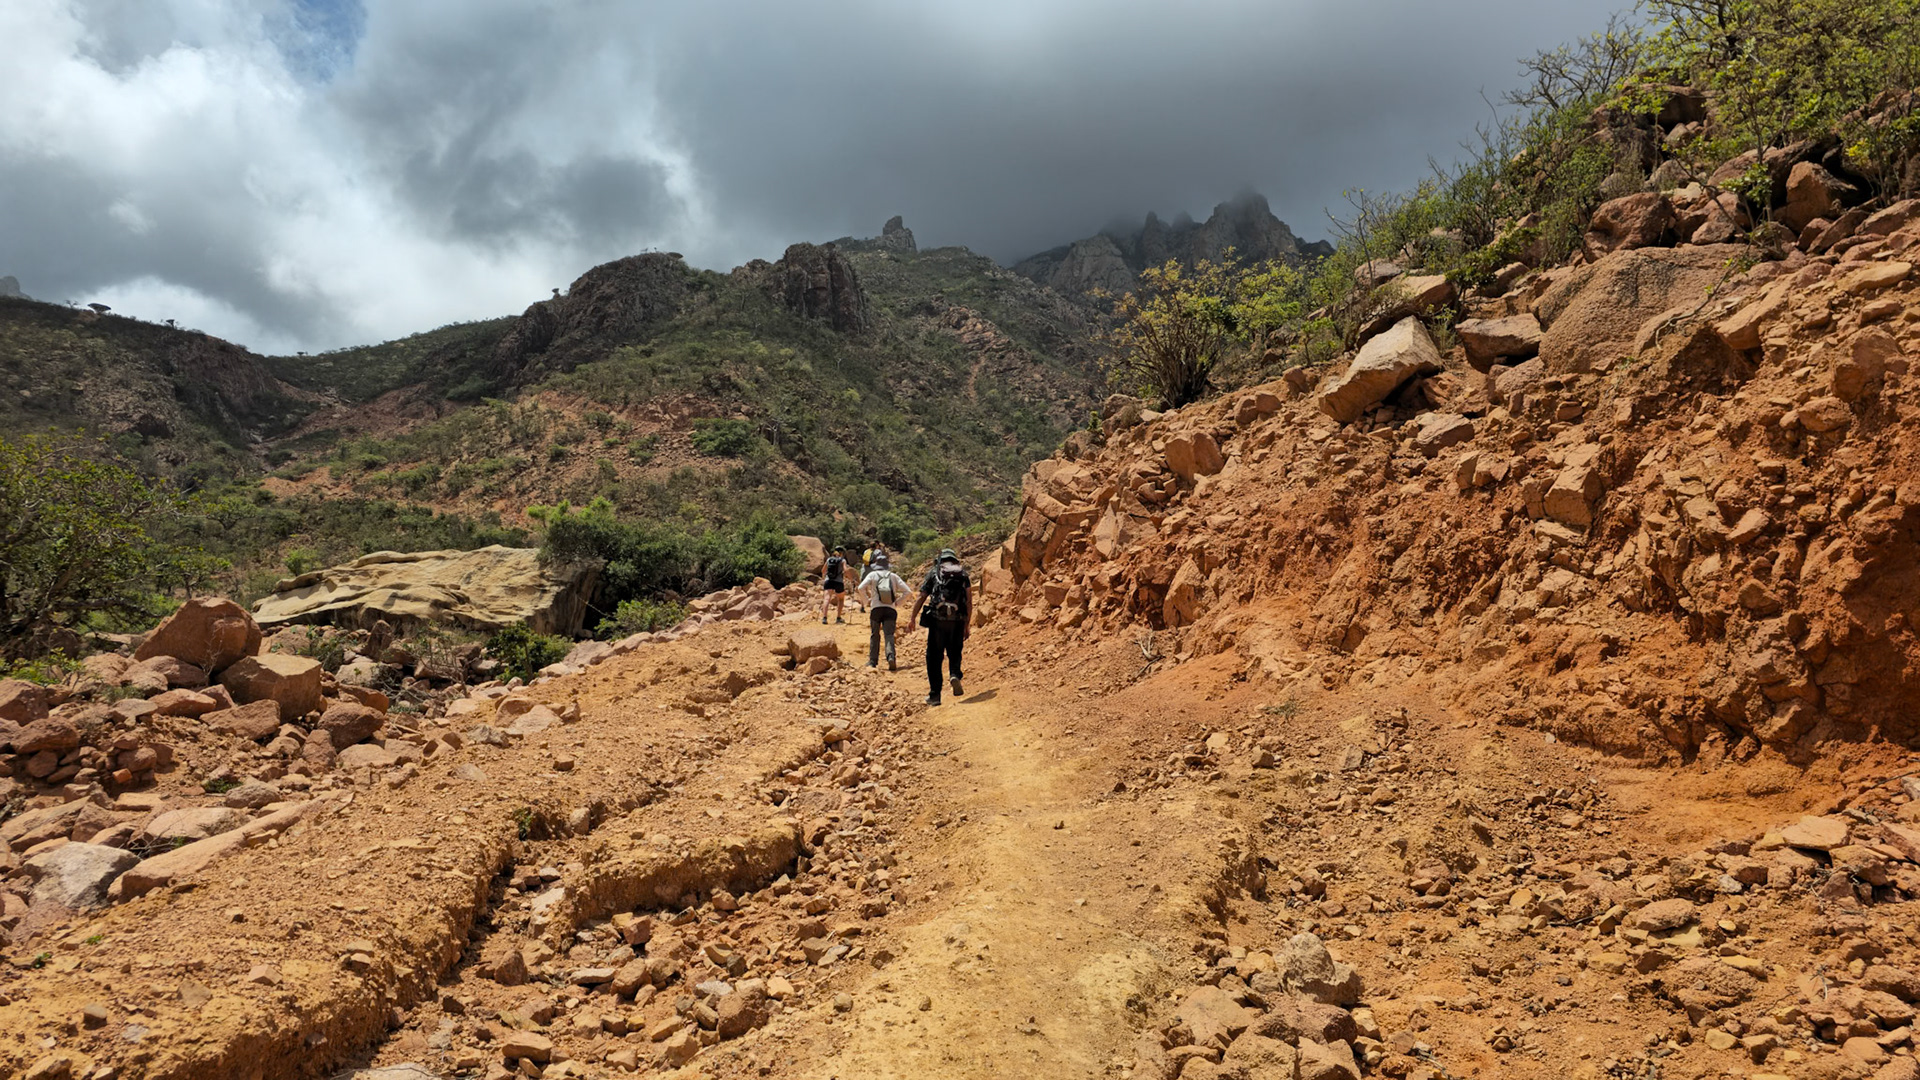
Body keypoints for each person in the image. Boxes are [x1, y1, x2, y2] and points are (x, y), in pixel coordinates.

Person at [907, 547, 971, 706]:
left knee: (934, 657)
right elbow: (969, 601)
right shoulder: (963, 575)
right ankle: (955, 673)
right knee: (955, 651)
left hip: (937, 622)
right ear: (955, 560)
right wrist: (967, 624)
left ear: (940, 561)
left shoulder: (933, 573)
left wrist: (913, 617)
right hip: (957, 621)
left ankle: (935, 696)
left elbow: (922, 596)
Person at [854, 553, 913, 670]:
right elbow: (908, 592)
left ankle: (872, 661)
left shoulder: (872, 575)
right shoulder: (894, 576)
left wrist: (867, 601)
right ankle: (891, 657)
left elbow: (860, 588)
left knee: (874, 635)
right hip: (890, 610)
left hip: (876, 609)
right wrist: (898, 603)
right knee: (889, 635)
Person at [820, 547, 851, 624]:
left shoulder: (829, 559)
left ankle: (824, 618)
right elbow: (846, 570)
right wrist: (851, 578)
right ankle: (838, 618)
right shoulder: (842, 560)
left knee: (827, 598)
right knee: (840, 599)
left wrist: (825, 577)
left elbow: (823, 571)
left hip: (828, 581)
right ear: (841, 553)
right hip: (838, 582)